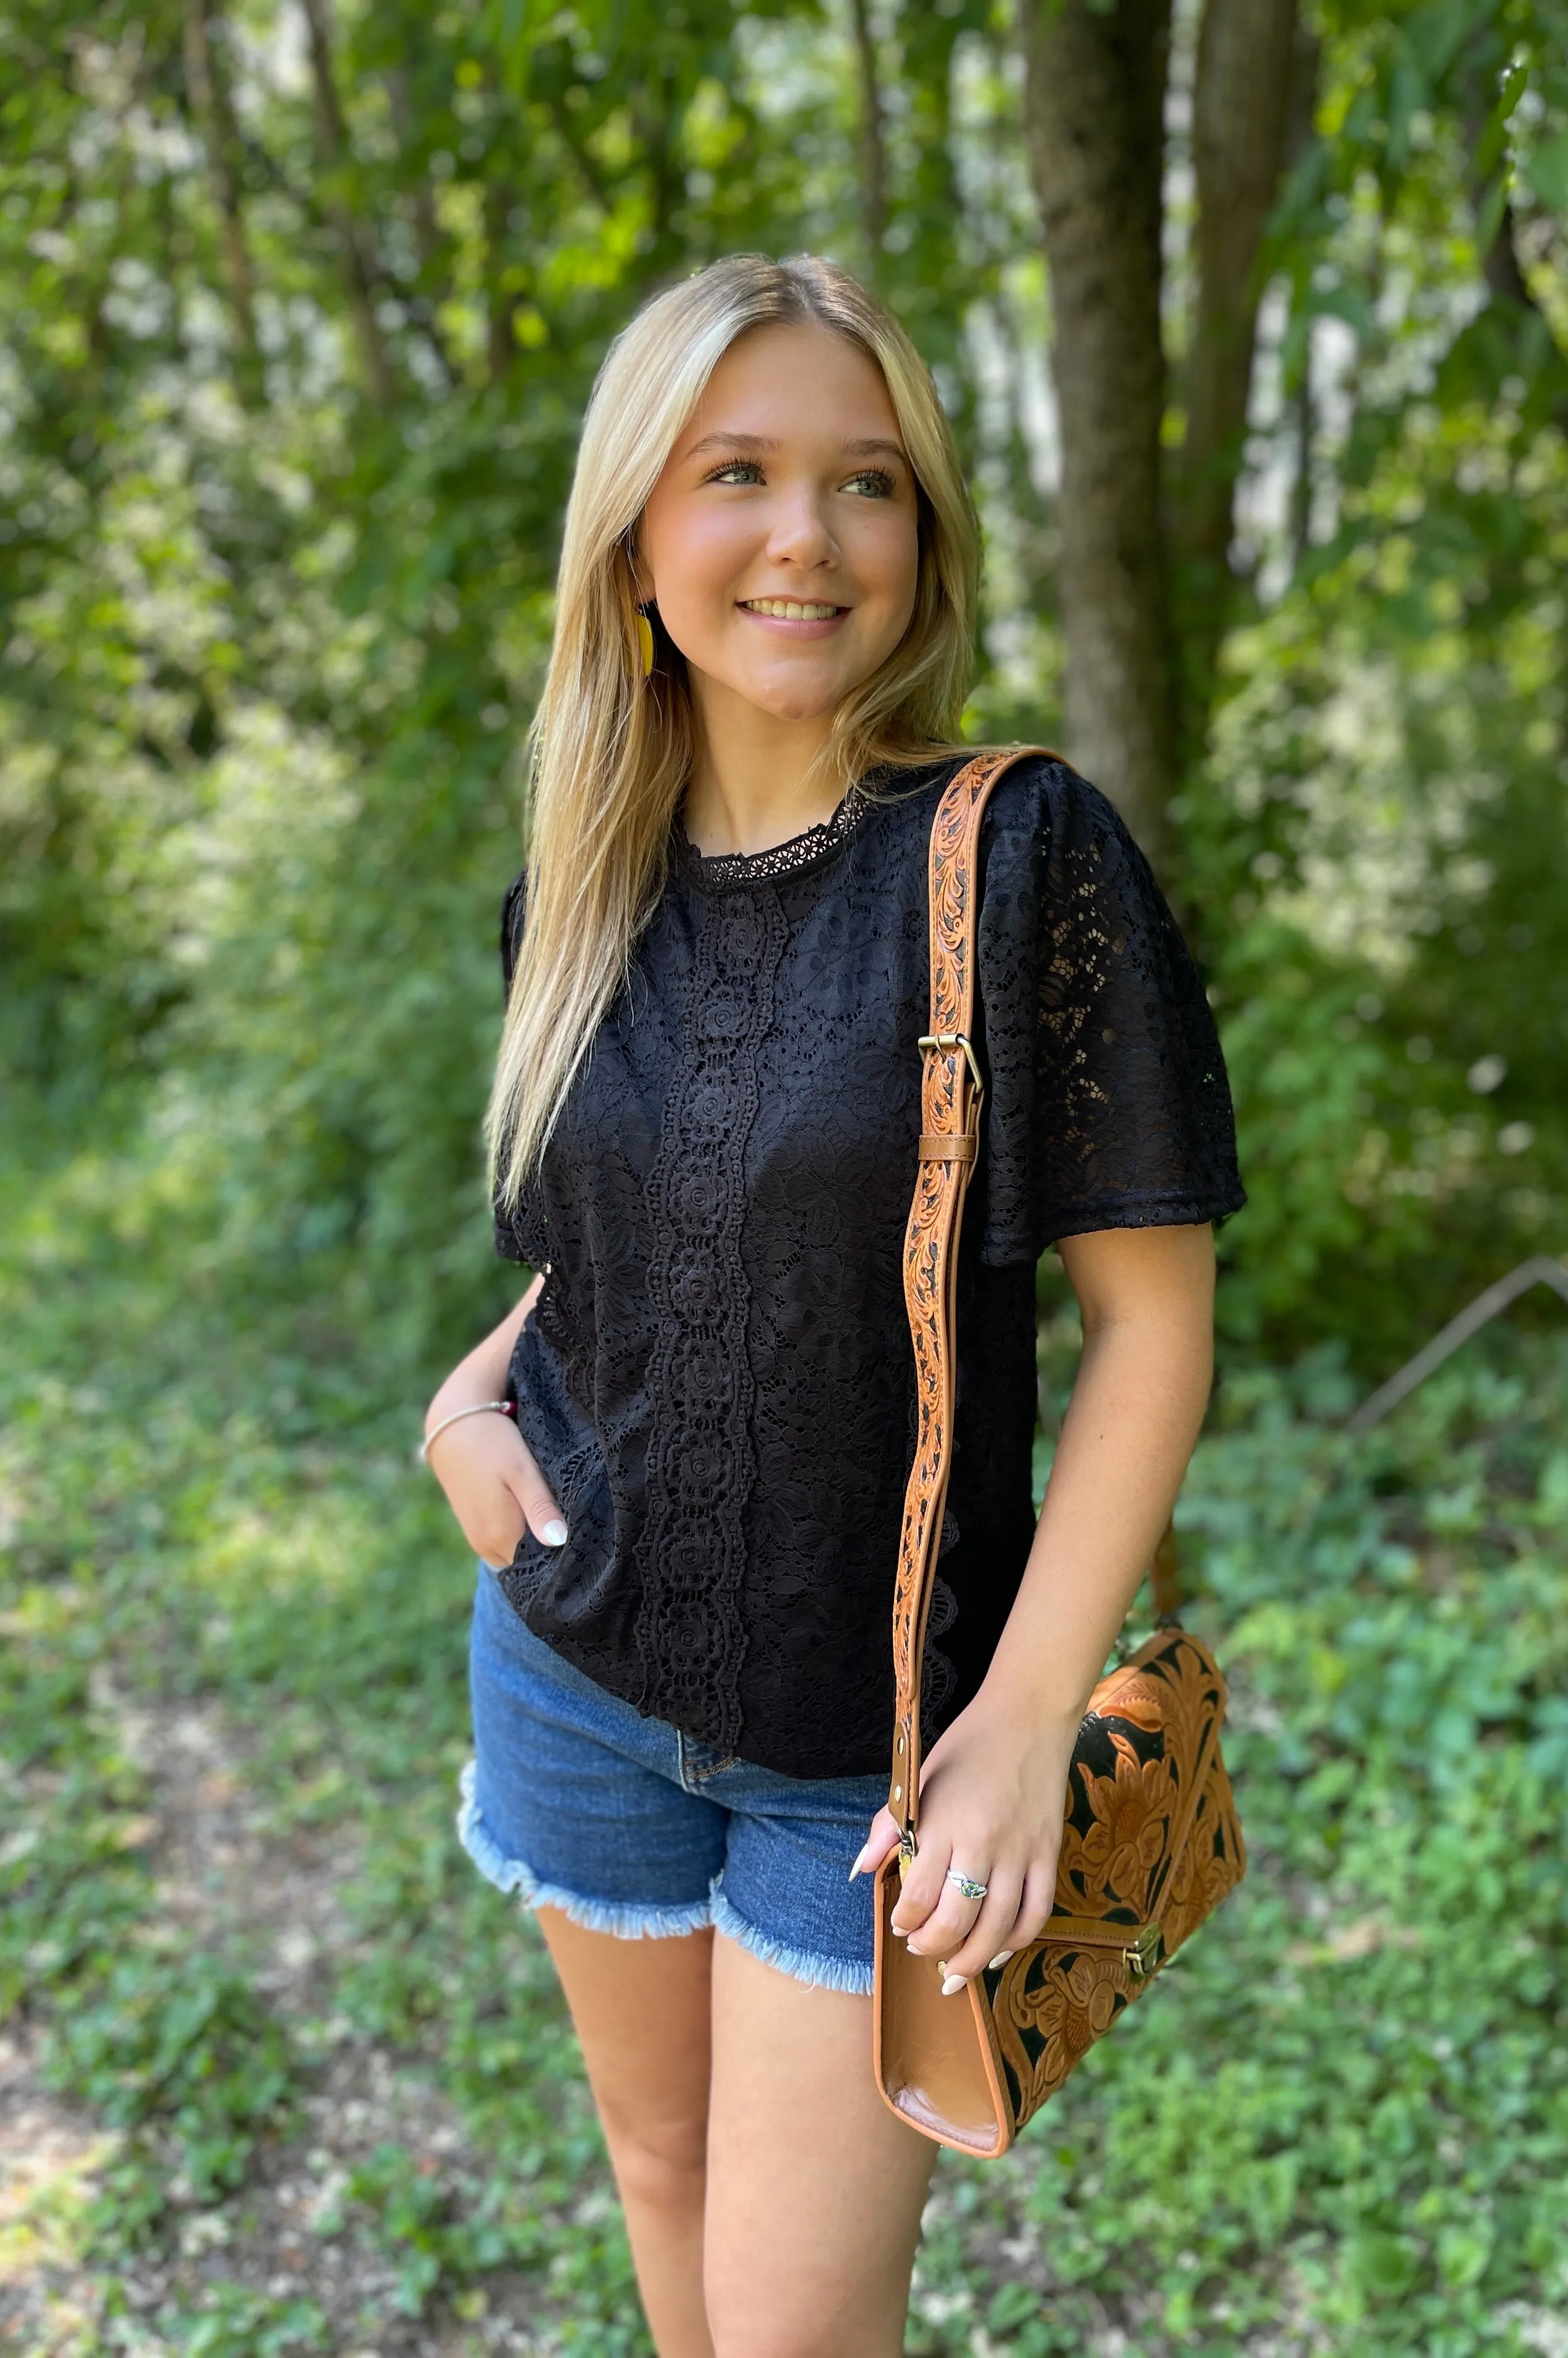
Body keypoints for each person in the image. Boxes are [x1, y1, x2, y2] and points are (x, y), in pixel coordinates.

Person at [421, 252, 1243, 2358]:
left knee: (793, 2324)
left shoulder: (1020, 854)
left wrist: (1023, 1717)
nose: (807, 534)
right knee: (662, 2180)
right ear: (636, 542)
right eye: (741, 473)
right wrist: (470, 1408)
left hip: (869, 1758)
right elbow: (603, 1240)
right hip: (575, 1679)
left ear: (925, 542)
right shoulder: (574, 887)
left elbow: (1152, 1328)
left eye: (867, 484)